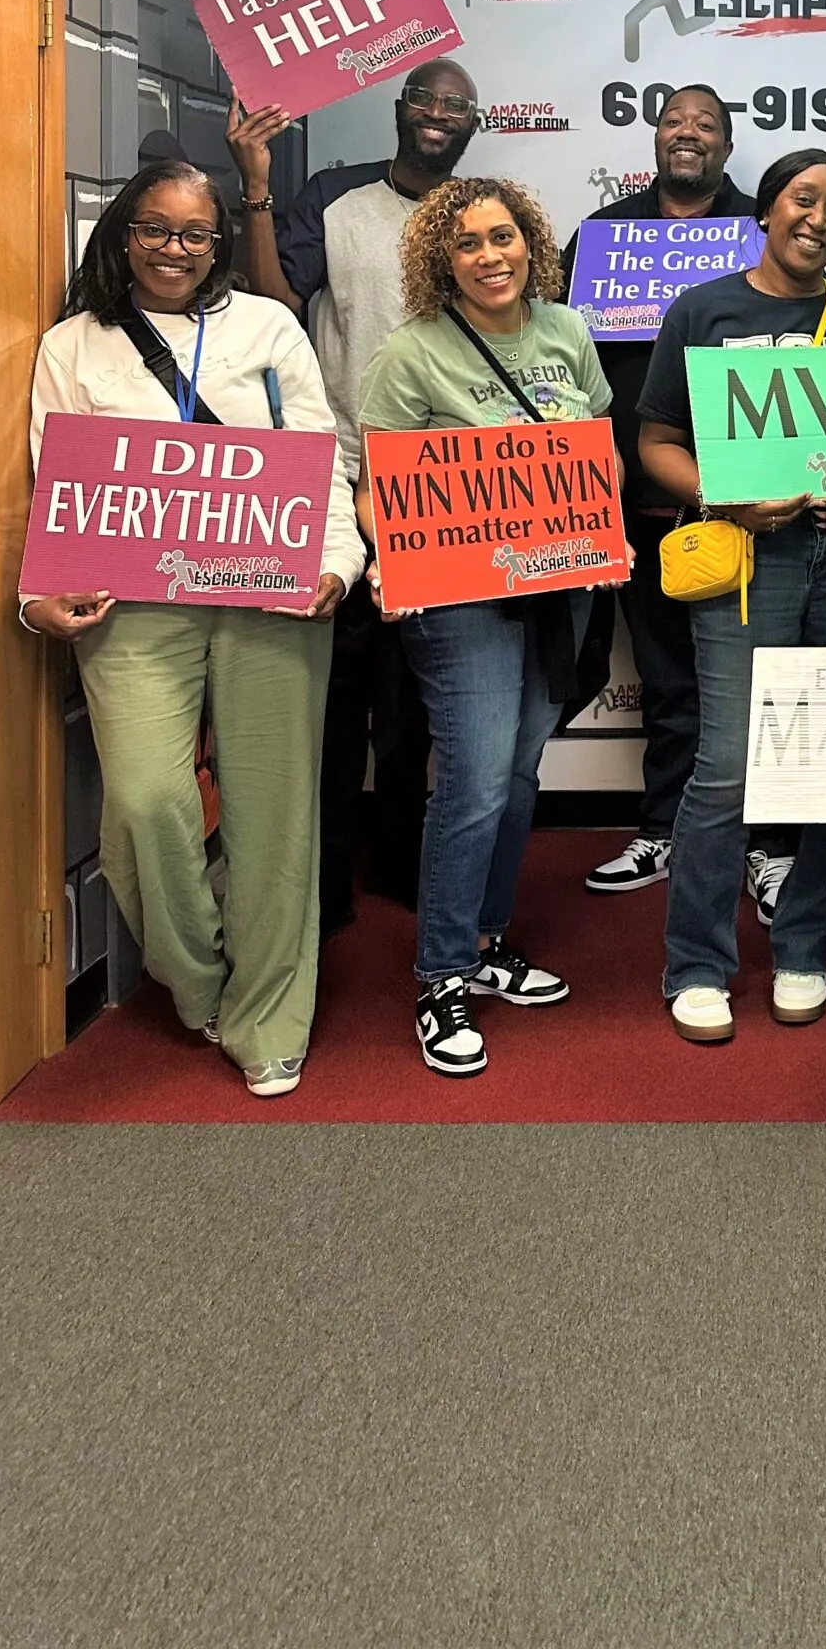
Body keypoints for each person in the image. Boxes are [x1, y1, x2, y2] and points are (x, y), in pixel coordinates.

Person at [23, 162, 364, 1097]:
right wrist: (37, 596)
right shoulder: (73, 346)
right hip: (133, 605)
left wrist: (340, 564)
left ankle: (271, 1015)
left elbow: (320, 457)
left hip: (273, 593)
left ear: (219, 243)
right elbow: (55, 485)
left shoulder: (267, 327)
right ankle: (201, 980)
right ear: (123, 234)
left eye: (195, 234)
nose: (175, 249)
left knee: (274, 817)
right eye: (155, 229)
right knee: (143, 803)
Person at [637, 147, 826, 1043]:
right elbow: (658, 439)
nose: (819, 218)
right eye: (804, 198)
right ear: (767, 208)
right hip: (756, 561)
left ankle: (804, 947)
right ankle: (698, 964)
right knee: (726, 767)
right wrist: (720, 494)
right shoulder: (704, 309)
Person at [356, 177, 609, 1077]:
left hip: (559, 587)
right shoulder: (411, 353)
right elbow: (376, 487)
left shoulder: (567, 332)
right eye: (466, 244)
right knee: (470, 784)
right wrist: (398, 554)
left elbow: (598, 440)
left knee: (520, 772)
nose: (490, 256)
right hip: (461, 600)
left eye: (502, 237)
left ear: (529, 244)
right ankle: (441, 974)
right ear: (440, 261)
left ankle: (488, 938)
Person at [229, 59, 481, 930]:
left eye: (458, 105)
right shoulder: (336, 196)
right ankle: (325, 880)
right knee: (332, 697)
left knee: (417, 704)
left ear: (474, 123)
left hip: (444, 496)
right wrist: (257, 190)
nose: (441, 114)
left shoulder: (480, 218)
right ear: (401, 109)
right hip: (339, 477)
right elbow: (279, 299)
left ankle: (404, 868)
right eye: (428, 100)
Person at [564, 87, 792, 925]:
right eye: (674, 122)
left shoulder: (762, 230)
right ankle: (663, 830)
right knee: (665, 679)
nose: (687, 134)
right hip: (640, 494)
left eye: (706, 124)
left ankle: (767, 846)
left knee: (756, 684)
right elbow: (556, 345)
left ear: (728, 147)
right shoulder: (602, 235)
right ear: (655, 139)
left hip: (752, 497)